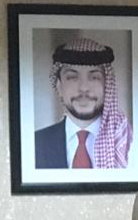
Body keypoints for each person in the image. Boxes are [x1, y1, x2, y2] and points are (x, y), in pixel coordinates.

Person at [33, 37, 132, 169]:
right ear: (59, 87)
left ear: (107, 85)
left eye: (94, 77)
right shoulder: (35, 143)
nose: (84, 88)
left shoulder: (127, 143)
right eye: (72, 77)